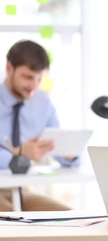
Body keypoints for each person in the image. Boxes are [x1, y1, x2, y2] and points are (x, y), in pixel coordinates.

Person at [0, 39, 79, 211]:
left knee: (74, 220)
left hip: (22, 189)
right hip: (2, 189)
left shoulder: (43, 103)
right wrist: (19, 155)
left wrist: (69, 154)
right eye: (27, 77)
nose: (34, 85)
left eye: (39, 78)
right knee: (14, 225)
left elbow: (58, 148)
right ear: (9, 68)